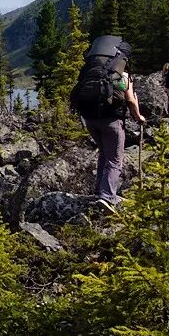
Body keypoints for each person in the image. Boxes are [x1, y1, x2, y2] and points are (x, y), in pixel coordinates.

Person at [70, 35, 147, 213]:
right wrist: (139, 117)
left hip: (90, 119)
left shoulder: (93, 72)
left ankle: (99, 189)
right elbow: (131, 101)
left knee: (104, 153)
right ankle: (107, 196)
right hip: (111, 121)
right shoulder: (122, 76)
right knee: (115, 159)